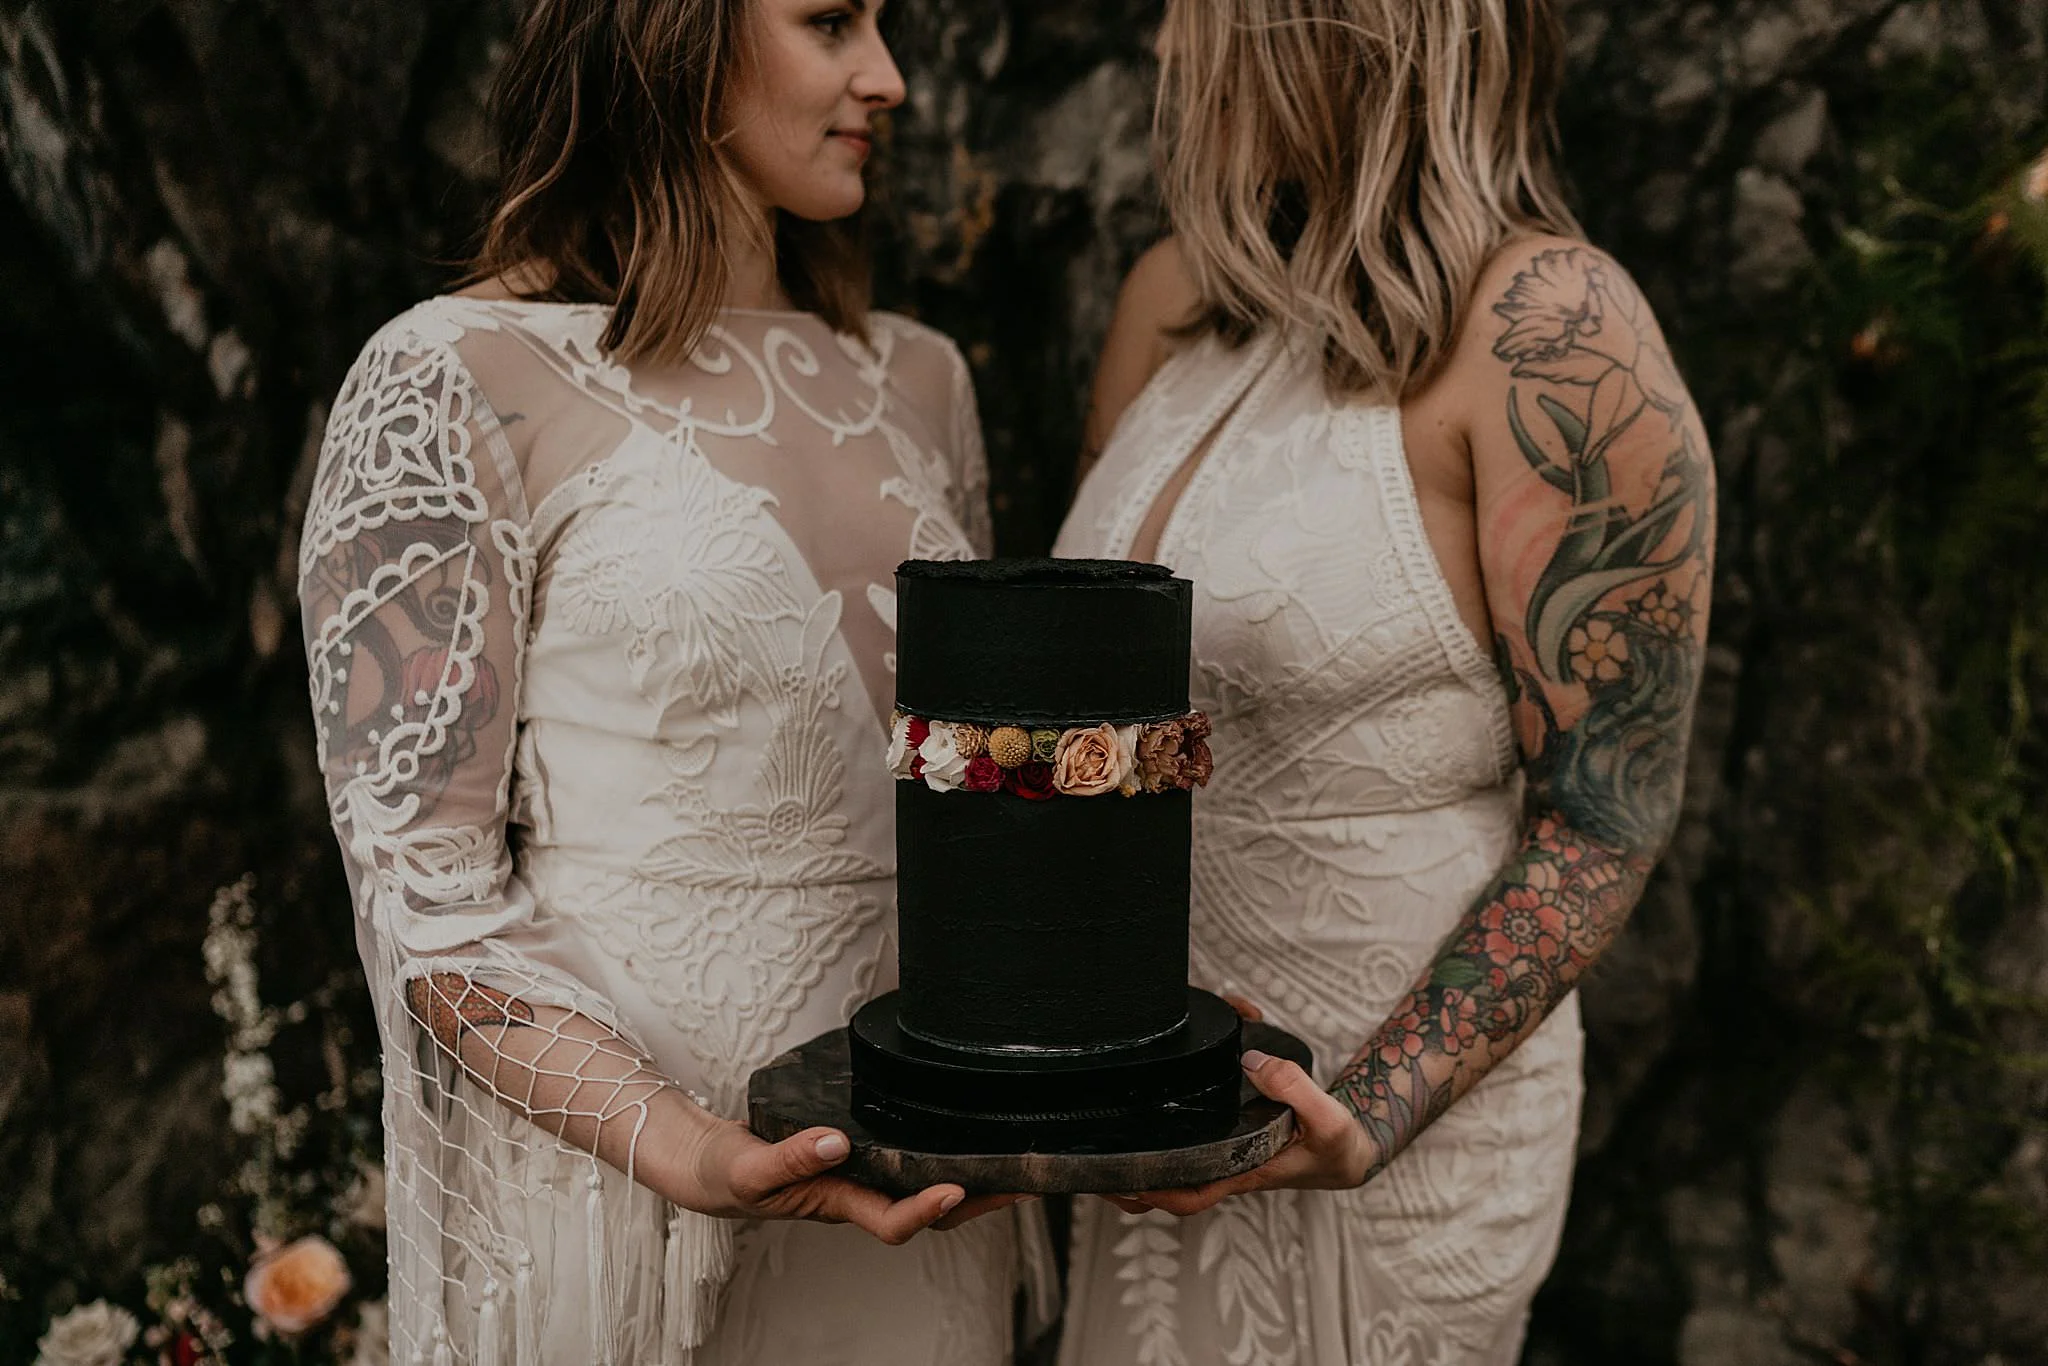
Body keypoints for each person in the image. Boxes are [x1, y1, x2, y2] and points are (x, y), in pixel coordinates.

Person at [296, 1, 1048, 1361]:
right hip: (617, 1193)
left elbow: (969, 797)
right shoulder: (455, 374)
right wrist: (688, 1148)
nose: (887, 77)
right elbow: (420, 888)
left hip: (914, 1192)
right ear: (673, 37)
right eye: (830, 21)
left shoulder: (923, 380)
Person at [1053, 0, 1714, 1361]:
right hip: (1152, 1112)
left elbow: (1606, 816)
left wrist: (1372, 1104)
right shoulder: (1172, 302)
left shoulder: (1554, 333)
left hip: (1390, 1135)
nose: (1166, 52)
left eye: (1193, 13)